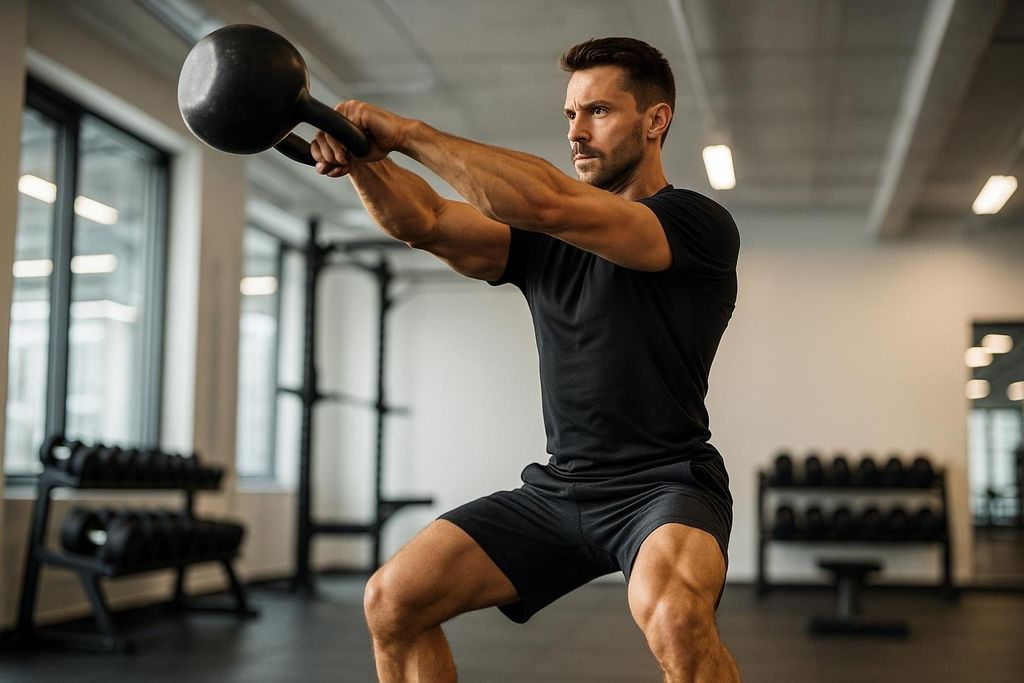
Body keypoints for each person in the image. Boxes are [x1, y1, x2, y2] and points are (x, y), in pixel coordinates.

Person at [311, 36, 741, 683]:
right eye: (570, 115)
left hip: (665, 484)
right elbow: (422, 219)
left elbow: (546, 201)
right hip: (562, 488)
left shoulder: (694, 225)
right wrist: (363, 158)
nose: (577, 131)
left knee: (676, 615)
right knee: (392, 600)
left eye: (597, 111)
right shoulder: (546, 247)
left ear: (656, 121)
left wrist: (403, 133)